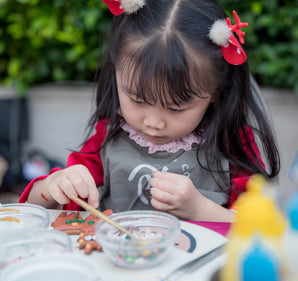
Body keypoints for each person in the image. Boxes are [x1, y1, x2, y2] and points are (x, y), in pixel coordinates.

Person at [19, 0, 280, 222]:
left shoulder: (231, 143)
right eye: (137, 100)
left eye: (176, 108)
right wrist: (52, 188)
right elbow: (36, 211)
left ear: (215, 92)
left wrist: (199, 208)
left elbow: (258, 224)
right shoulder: (109, 136)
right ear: (117, 74)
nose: (153, 123)